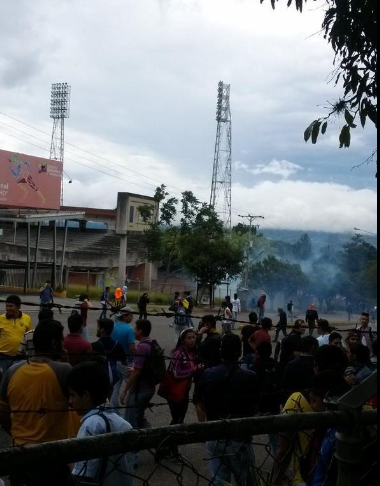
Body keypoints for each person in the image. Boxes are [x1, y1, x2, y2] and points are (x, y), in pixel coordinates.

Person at [0, 320, 72, 486]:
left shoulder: (13, 371)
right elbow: (81, 400)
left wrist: (18, 433)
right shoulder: (64, 370)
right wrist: (67, 360)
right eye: (61, 341)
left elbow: (3, 414)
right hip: (53, 455)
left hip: (19, 451)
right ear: (55, 344)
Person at [198, 334, 260, 486]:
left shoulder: (208, 374)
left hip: (215, 432)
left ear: (220, 351)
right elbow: (255, 407)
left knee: (219, 480)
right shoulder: (250, 376)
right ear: (239, 352)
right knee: (244, 479)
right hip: (240, 436)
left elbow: (200, 403)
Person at [68, 362, 134, 486]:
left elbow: (82, 477)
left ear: (86, 395)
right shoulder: (123, 423)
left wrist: (68, 460)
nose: (70, 401)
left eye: (72, 395)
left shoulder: (90, 426)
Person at [121, 320, 157, 434]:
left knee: (130, 420)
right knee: (140, 417)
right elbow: (145, 367)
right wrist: (136, 369)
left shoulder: (142, 347)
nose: (134, 331)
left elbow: (136, 373)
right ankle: (153, 437)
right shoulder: (151, 343)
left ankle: (132, 448)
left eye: (135, 329)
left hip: (140, 390)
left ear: (140, 331)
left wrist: (125, 390)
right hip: (149, 387)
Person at [251, 341, 282, 454]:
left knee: (247, 438)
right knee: (275, 439)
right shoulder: (277, 365)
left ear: (257, 353)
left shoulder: (253, 368)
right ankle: (278, 465)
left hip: (258, 407)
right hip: (273, 406)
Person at [110, 307, 136, 413]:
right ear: (125, 316)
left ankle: (114, 412)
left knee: (115, 388)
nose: (132, 317)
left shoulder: (113, 327)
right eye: (130, 315)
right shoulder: (129, 330)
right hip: (126, 361)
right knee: (132, 387)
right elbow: (132, 348)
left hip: (114, 360)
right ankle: (132, 411)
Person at [92, 319, 127, 396]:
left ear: (102, 330)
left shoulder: (94, 346)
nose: (97, 329)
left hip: (98, 378)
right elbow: (125, 362)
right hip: (111, 378)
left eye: (98, 327)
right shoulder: (118, 345)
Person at [0, 295, 32, 377]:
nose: (8, 308)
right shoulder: (1, 319)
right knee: (5, 380)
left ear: (18, 306)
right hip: (4, 358)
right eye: (7, 306)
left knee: (18, 379)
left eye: (11, 306)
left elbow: (29, 336)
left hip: (20, 357)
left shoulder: (27, 318)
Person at [281, 336, 319, 401]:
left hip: (293, 400)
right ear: (313, 347)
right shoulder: (315, 365)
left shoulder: (290, 364)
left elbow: (284, 386)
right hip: (310, 401)